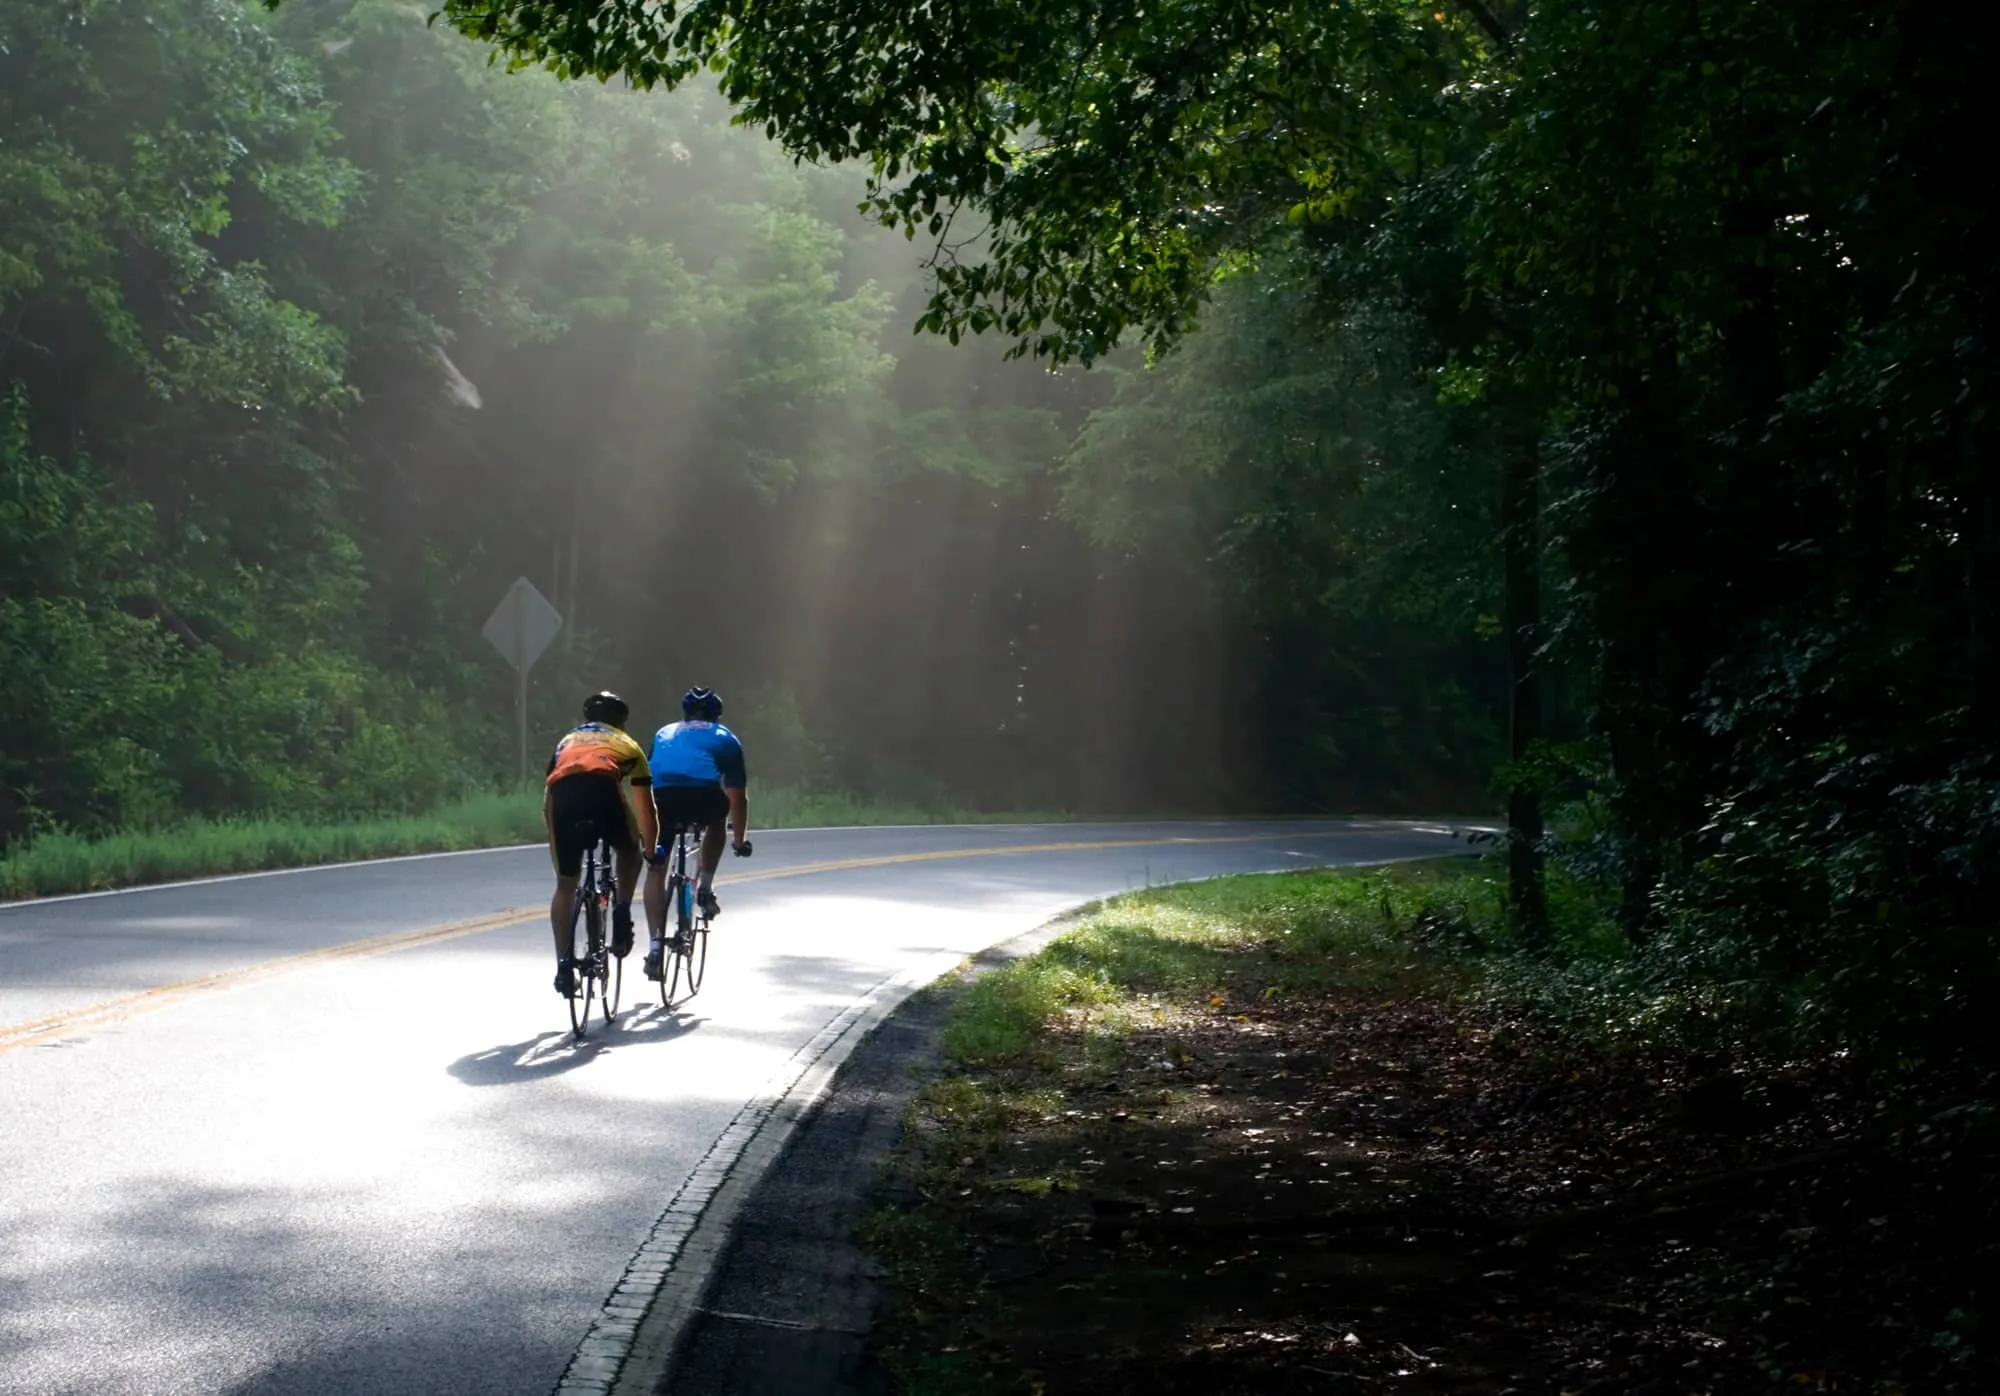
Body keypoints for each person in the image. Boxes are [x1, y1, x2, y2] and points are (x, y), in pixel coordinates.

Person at [544, 690, 658, 997]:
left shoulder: (566, 742)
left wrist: (557, 846)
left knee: (565, 886)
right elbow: (645, 808)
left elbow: (549, 797)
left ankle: (564, 967)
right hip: (603, 791)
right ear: (622, 721)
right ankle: (621, 910)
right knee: (629, 850)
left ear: (586, 718)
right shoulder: (628, 744)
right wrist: (650, 849)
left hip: (563, 800)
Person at [642, 686, 751, 980]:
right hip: (702, 797)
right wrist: (739, 841)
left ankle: (654, 946)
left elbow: (650, 773)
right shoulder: (725, 737)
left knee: (656, 870)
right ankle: (704, 886)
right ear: (717, 715)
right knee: (717, 819)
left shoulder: (665, 732)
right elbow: (737, 797)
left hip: (661, 798)